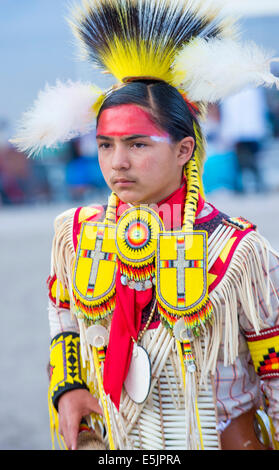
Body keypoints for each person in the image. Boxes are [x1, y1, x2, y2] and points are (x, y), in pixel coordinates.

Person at [12, 0, 279, 451]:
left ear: (183, 150)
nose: (118, 163)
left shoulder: (239, 252)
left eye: (138, 144)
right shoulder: (76, 234)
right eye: (104, 145)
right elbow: (64, 320)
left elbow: (275, 369)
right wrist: (69, 387)